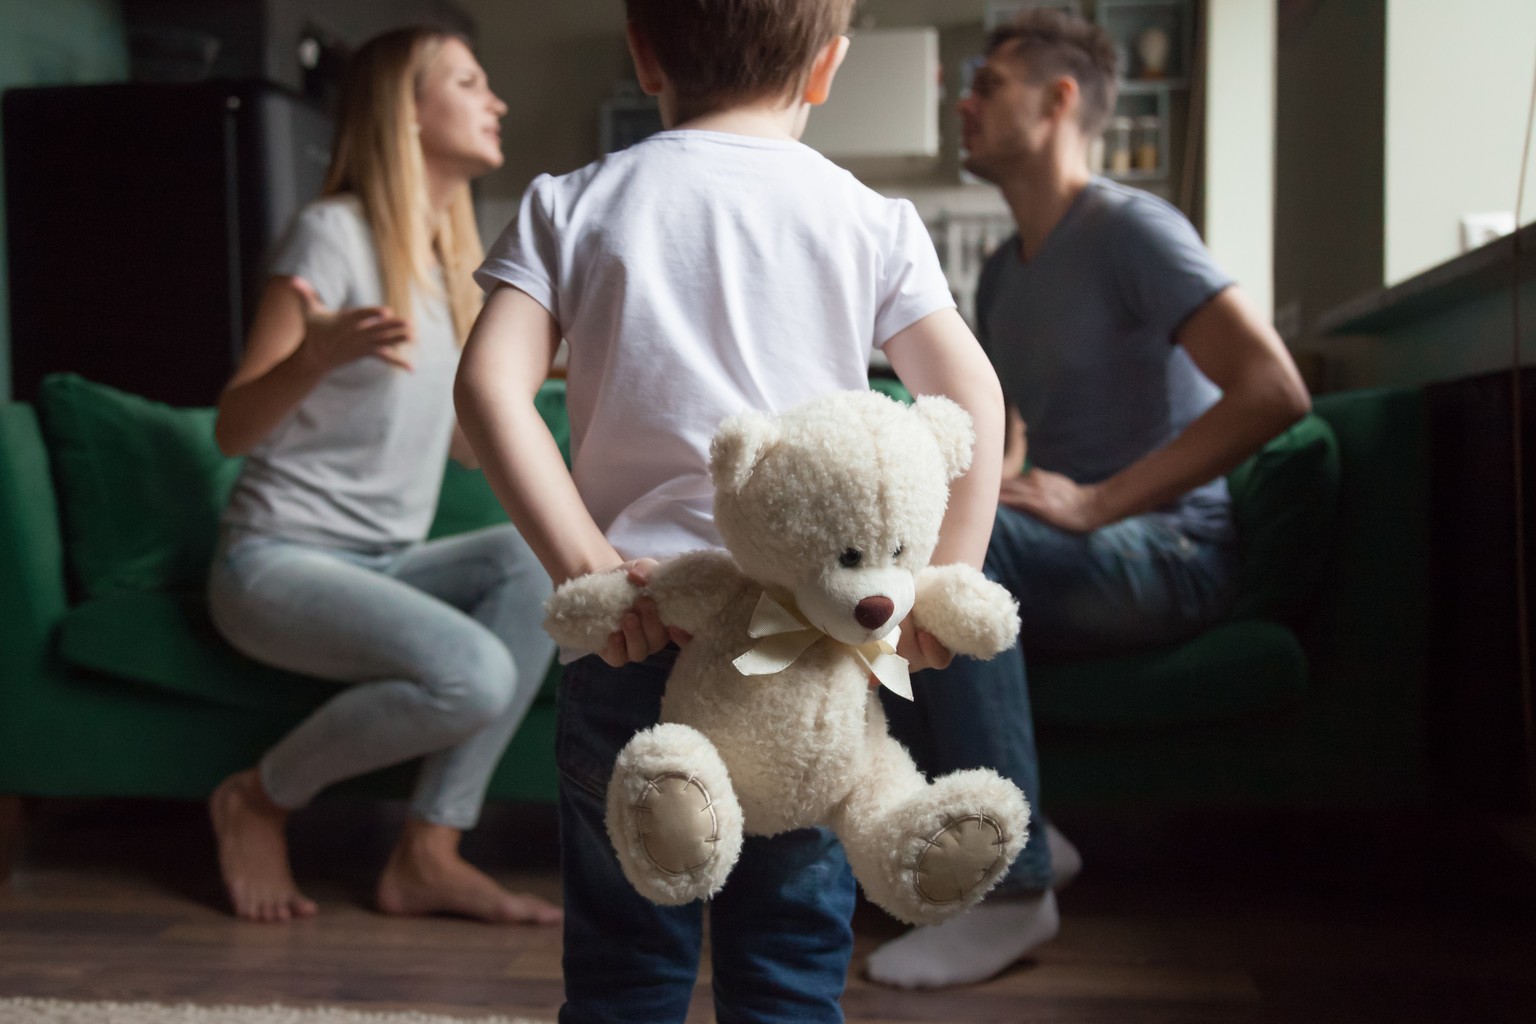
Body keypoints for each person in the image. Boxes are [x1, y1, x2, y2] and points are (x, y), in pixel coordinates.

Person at [453, 1, 1007, 1019]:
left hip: (641, 625)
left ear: (643, 49)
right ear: (829, 67)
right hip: (812, 650)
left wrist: (586, 564)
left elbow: (489, 388)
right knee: (791, 966)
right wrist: (941, 582)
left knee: (627, 968)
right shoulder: (869, 217)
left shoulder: (570, 202)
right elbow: (970, 400)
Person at [867, 8, 1312, 990]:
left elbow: (1275, 388)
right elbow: (1016, 439)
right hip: (1080, 552)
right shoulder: (997, 276)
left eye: (988, 82)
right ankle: (1033, 828)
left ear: (1061, 99)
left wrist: (1099, 502)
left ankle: (1015, 890)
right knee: (873, 573)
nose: (964, 100)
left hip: (1171, 555)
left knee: (961, 564)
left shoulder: (1131, 229)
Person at [205, 26, 562, 928]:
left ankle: (427, 853)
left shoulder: (455, 273)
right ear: (406, 109)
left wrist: (545, 373)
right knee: (474, 675)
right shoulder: (329, 237)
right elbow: (232, 428)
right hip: (276, 564)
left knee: (542, 565)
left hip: (386, 558)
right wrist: (310, 361)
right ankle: (258, 798)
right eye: (471, 82)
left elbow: (467, 451)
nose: (498, 102)